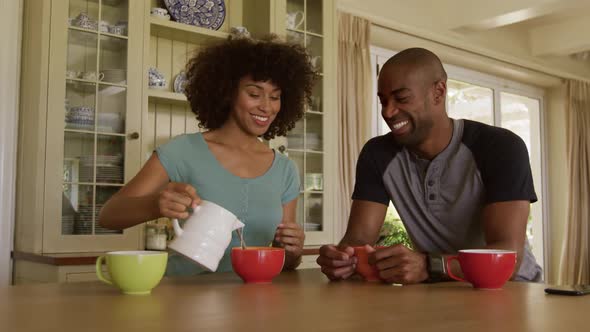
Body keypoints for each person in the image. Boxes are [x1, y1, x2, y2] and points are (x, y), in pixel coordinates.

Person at [317, 47, 542, 284]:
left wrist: (430, 266)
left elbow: (508, 257)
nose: (388, 111)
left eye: (401, 98)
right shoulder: (377, 154)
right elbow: (359, 239)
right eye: (383, 101)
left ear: (439, 92)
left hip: (510, 288)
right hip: (437, 290)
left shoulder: (501, 147)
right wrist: (343, 259)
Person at [99, 35, 317, 275]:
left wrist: (293, 251)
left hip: (255, 303)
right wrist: (156, 204)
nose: (266, 106)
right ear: (226, 91)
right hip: (184, 297)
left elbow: (285, 261)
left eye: (275, 97)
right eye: (254, 94)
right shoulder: (182, 151)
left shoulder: (285, 170)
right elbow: (109, 215)